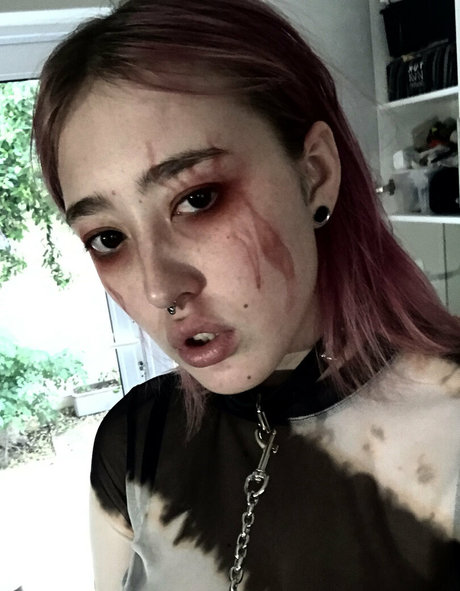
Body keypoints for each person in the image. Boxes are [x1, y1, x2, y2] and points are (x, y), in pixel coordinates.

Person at [32, 0, 460, 589]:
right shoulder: (135, 442)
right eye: (108, 238)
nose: (160, 288)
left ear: (314, 173)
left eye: (197, 199)